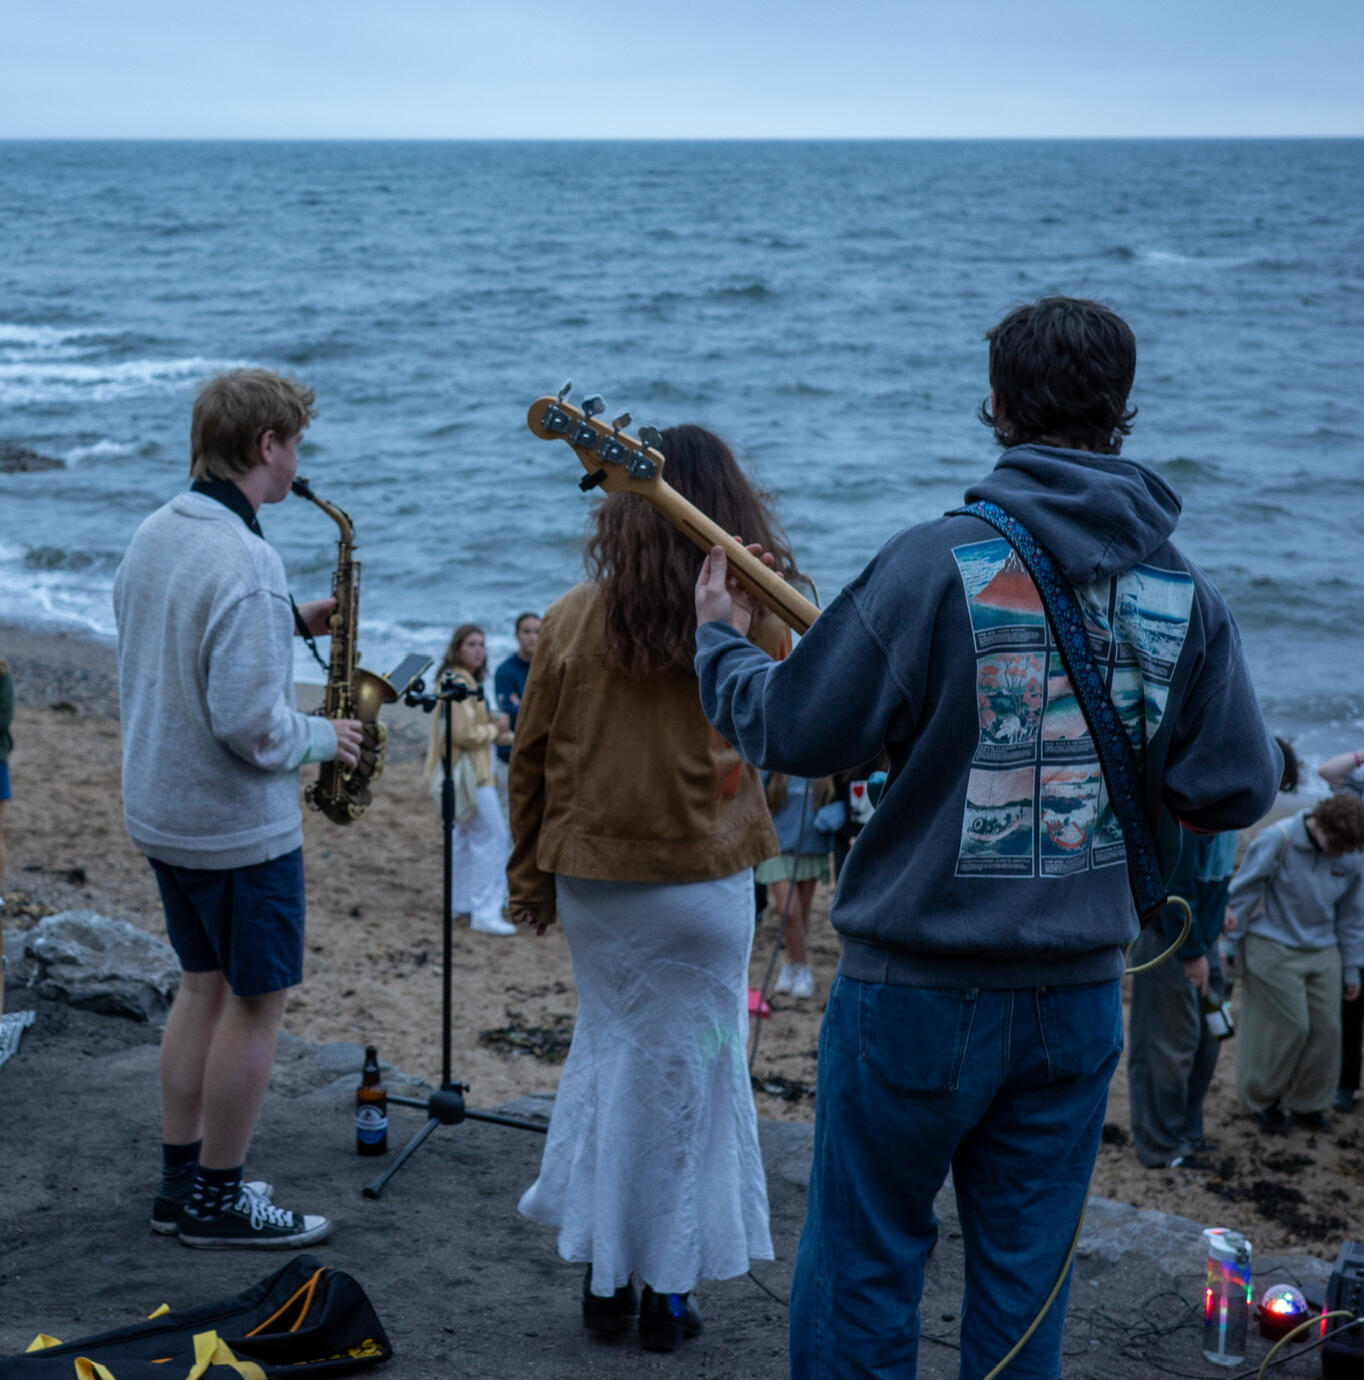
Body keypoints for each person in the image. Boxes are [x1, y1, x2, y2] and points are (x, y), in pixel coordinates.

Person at [692, 297, 1282, 1378]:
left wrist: (718, 645)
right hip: (1071, 997)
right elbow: (1232, 787)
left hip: (912, 987)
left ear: (998, 408)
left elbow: (793, 725)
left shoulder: (932, 563)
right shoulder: (1179, 588)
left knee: (864, 1267)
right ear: (1122, 414)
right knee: (1022, 1288)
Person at [508, 424, 788, 1354]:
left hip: (599, 885)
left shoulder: (570, 617)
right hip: (706, 885)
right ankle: (667, 1293)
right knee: (698, 1075)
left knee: (616, 1058)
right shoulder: (753, 617)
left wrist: (528, 885)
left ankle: (604, 1278)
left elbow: (531, 763)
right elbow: (790, 744)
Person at [113, 368, 363, 1249]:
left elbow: (185, 636)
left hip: (161, 809)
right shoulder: (249, 559)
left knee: (201, 984)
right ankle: (220, 1203)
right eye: (295, 443)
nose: (298, 460)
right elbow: (254, 728)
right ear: (267, 447)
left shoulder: (157, 532)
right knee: (257, 1004)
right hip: (233, 830)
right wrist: (330, 738)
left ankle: (180, 1184)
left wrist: (287, 621)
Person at [1224, 792, 1364, 1130]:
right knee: (1288, 1027)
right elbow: (1241, 896)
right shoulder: (1279, 838)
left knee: (1328, 1032)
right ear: (1319, 823)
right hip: (1272, 944)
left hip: (1324, 948)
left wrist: (1351, 969)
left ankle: (1308, 1107)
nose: (1336, 854)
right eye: (1332, 845)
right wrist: (1227, 948)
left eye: (1344, 851)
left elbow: (1352, 915)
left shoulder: (1352, 850)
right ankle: (1262, 1101)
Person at [1126, 829, 1237, 1168]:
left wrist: (1221, 909)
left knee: (1209, 1040)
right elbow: (1174, 888)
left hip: (1203, 939)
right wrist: (1191, 954)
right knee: (1168, 1045)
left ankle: (1188, 1134)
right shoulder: (1198, 804)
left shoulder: (1234, 807)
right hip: (1169, 939)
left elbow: (1211, 872)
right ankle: (1162, 1147)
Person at [425, 624, 515, 936]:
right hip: (473, 775)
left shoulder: (458, 679)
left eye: (482, 644)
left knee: (465, 838)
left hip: (464, 771)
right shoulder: (458, 681)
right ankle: (486, 912)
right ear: (457, 648)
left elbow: (470, 727)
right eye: (471, 644)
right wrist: (495, 730)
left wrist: (497, 729)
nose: (479, 650)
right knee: (494, 837)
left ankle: (460, 902)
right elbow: (464, 734)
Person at [757, 773, 835, 999]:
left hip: (812, 844)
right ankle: (802, 967)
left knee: (802, 908)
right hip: (777, 847)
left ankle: (790, 964)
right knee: (788, 913)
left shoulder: (824, 767)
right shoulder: (774, 764)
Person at [1320, 744, 1364, 1111]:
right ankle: (1345, 1086)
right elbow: (1327, 771)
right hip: (1352, 926)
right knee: (1349, 1012)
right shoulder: (1356, 804)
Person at [492, 611, 541, 814]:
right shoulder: (505, 671)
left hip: (541, 753)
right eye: (526, 631)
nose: (532, 637)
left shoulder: (548, 667)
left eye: (537, 632)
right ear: (516, 635)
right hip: (510, 755)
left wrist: (524, 706)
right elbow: (512, 715)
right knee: (510, 815)